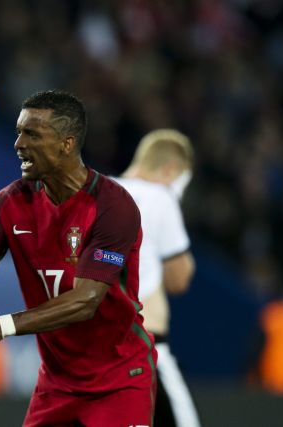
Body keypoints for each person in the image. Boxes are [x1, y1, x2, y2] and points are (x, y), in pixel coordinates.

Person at [0, 90, 157, 426]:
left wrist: (2, 326)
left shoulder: (113, 206)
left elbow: (86, 301)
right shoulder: (10, 203)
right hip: (57, 384)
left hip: (118, 380)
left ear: (66, 144)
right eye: (19, 132)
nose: (18, 144)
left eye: (32, 135)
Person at [115, 129, 200, 427]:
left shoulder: (96, 192)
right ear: (169, 169)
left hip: (94, 349)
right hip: (144, 345)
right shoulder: (160, 197)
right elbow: (179, 280)